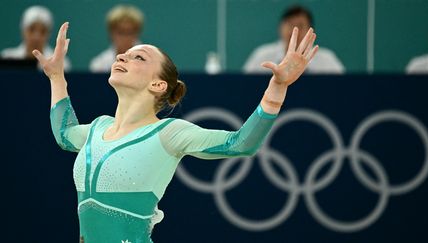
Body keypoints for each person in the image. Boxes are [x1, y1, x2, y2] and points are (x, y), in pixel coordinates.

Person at [33, 21, 319, 242]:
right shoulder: (97, 128)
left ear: (158, 85)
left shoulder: (168, 133)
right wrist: (57, 77)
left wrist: (277, 87)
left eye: (139, 58)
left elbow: (241, 143)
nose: (122, 56)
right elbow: (64, 133)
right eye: (124, 54)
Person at [243, 5, 344, 74]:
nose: (294, 30)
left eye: (300, 25)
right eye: (290, 24)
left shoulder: (327, 60)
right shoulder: (262, 56)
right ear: (280, 27)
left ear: (310, 31)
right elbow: (244, 86)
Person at [1, 5, 71, 71]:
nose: (36, 37)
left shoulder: (61, 64)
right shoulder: (6, 58)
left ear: (49, 34)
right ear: (23, 30)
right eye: (31, 29)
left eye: (43, 31)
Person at [89, 4, 144, 73]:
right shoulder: (99, 65)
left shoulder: (148, 63)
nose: (125, 37)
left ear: (137, 33)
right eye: (121, 32)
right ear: (111, 33)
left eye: (129, 32)